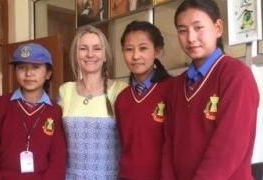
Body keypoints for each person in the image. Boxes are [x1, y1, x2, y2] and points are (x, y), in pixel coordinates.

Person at [161, 0, 259, 179]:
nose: (190, 38)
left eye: (198, 27)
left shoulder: (236, 76)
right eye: (182, 30)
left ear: (218, 28)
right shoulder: (176, 86)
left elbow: (229, 147)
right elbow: (168, 145)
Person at [58, 25, 127, 180]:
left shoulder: (121, 90)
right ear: (76, 54)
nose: (90, 54)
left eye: (96, 48)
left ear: (105, 55)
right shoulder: (65, 90)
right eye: (83, 48)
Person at [0, 43, 67, 180]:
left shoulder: (55, 111)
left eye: (36, 67)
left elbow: (58, 159)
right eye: (21, 67)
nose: (28, 73)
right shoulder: (0, 105)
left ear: (48, 73)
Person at [114, 20, 173, 180]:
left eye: (143, 48)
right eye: (129, 49)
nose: (135, 56)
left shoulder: (172, 90)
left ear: (157, 51)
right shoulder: (122, 98)